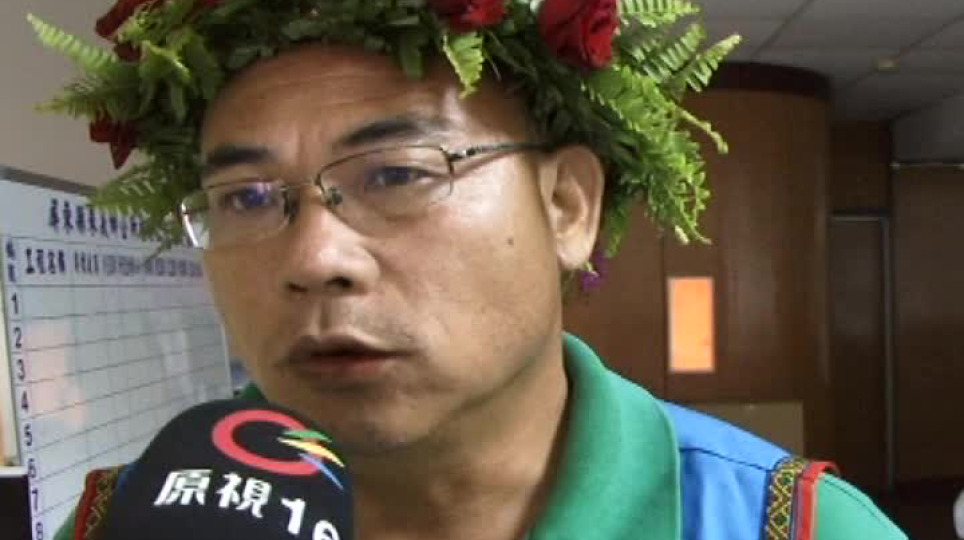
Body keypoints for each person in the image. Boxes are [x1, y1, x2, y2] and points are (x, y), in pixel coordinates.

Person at [33, 1, 907, 539]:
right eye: (248, 198)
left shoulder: (791, 528)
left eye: (397, 176)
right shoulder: (124, 525)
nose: (314, 259)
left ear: (567, 207)